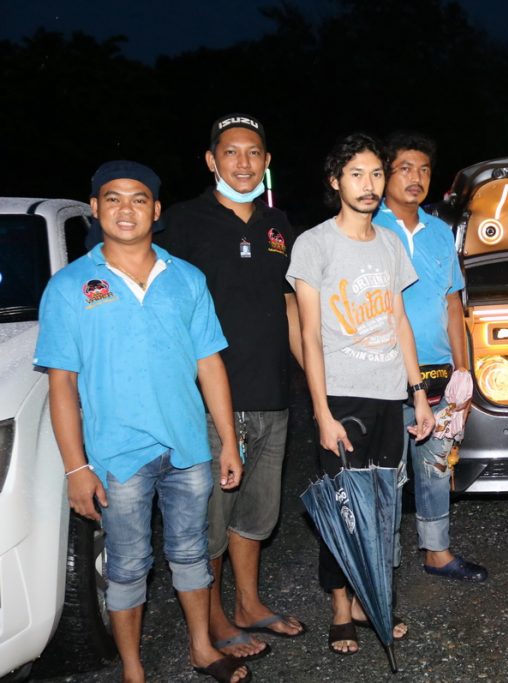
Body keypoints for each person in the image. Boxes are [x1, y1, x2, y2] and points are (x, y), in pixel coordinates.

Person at [35, 161, 251, 682]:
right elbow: (61, 385)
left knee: (191, 553)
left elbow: (209, 364)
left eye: (138, 199)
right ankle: (133, 670)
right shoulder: (68, 286)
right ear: (95, 208)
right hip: (117, 455)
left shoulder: (186, 278)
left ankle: (202, 649)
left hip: (187, 446)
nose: (125, 209)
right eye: (113, 198)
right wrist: (76, 468)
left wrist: (228, 441)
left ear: (156, 210)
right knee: (128, 566)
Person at [157, 113, 305, 662]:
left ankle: (248, 603)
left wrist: (315, 383)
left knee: (256, 515)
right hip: (210, 400)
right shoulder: (181, 222)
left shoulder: (278, 224)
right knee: (211, 523)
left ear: (267, 162)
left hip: (272, 393)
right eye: (231, 152)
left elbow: (290, 307)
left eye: (253, 153)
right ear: (211, 160)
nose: (243, 163)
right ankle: (215, 617)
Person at [286, 133, 434, 655]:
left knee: (382, 508)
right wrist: (321, 412)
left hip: (388, 395)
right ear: (336, 181)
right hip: (342, 398)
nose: (368, 185)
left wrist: (418, 392)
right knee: (343, 508)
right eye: (357, 175)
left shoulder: (390, 244)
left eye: (375, 174)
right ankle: (340, 609)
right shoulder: (315, 244)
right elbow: (309, 335)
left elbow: (399, 321)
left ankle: (373, 602)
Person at [374, 131, 488, 582]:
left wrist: (464, 371)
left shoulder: (440, 233)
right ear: (384, 175)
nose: (416, 178)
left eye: (423, 169)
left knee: (436, 465)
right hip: (383, 373)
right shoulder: (368, 229)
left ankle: (437, 551)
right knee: (386, 473)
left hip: (439, 372)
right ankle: (382, 562)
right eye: (405, 168)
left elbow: (453, 302)